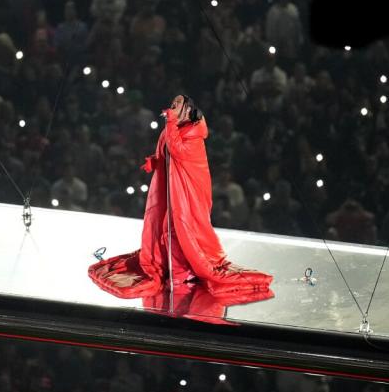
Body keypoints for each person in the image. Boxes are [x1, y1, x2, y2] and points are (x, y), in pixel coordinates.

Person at [88, 95, 273, 301]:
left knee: (181, 228)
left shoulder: (193, 136)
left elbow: (177, 149)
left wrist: (170, 122)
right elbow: (166, 147)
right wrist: (154, 161)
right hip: (174, 189)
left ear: (187, 111)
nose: (172, 106)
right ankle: (172, 268)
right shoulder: (175, 127)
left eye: (177, 104)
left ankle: (184, 273)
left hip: (189, 192)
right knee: (168, 227)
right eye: (173, 103)